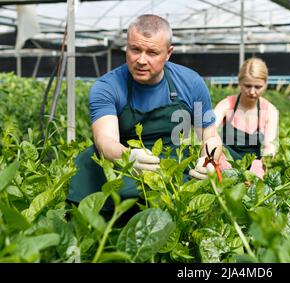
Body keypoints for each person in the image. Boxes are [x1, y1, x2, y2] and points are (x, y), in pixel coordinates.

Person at [67, 14, 221, 211]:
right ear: (127, 47)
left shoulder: (191, 84)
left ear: (168, 53)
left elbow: (210, 136)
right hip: (120, 166)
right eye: (135, 49)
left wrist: (209, 160)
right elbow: (105, 140)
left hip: (170, 165)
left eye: (152, 52)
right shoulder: (108, 86)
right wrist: (128, 157)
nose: (141, 60)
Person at [214, 57, 279, 179]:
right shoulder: (227, 105)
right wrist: (220, 158)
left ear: (265, 84)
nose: (252, 91)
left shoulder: (270, 111)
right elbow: (209, 131)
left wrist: (260, 166)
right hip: (225, 167)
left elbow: (269, 146)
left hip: (253, 169)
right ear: (239, 82)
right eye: (247, 85)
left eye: (258, 87)